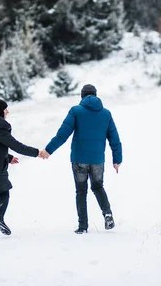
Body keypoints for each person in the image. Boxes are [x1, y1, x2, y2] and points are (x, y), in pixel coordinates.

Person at [42, 84, 122, 234]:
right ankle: (107, 214)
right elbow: (114, 139)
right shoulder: (106, 114)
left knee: (81, 191)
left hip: (79, 158)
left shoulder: (76, 111)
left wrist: (48, 150)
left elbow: (62, 134)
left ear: (82, 96)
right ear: (96, 95)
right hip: (98, 159)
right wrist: (117, 160)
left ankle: (83, 226)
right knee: (98, 187)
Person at [0, 98, 49, 241]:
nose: (7, 111)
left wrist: (8, 157)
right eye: (5, 109)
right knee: (4, 193)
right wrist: (38, 153)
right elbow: (17, 146)